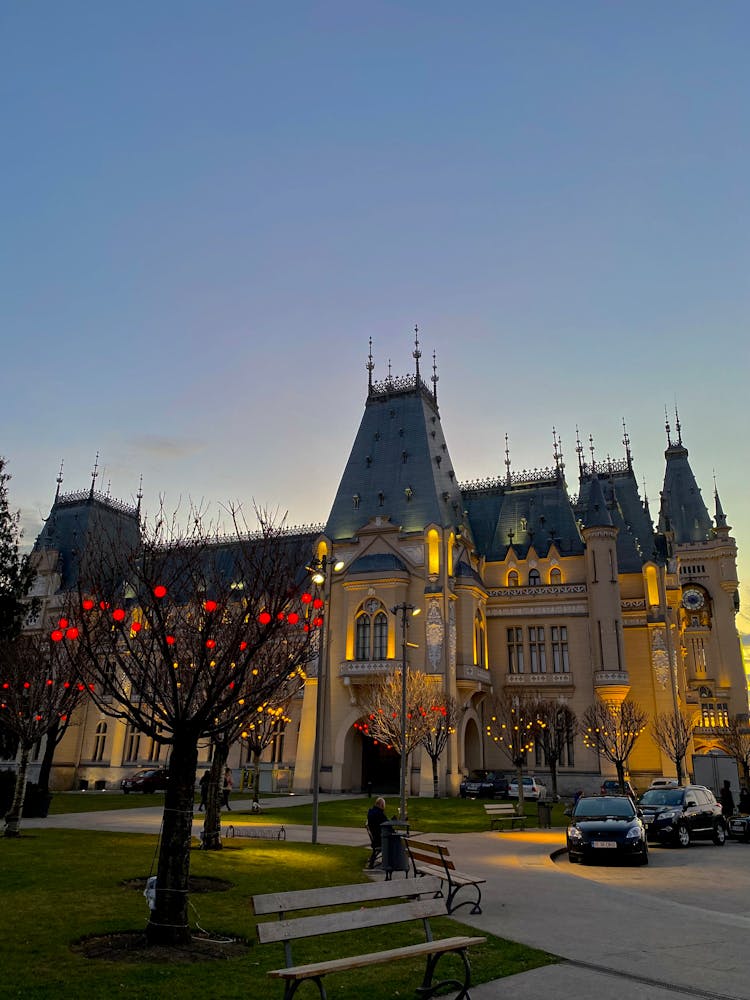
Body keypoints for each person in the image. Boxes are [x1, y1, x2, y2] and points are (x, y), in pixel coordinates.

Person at [366, 796, 387, 869]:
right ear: (381, 805)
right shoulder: (379, 814)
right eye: (383, 806)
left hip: (376, 838)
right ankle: (393, 861)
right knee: (396, 839)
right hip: (380, 840)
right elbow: (387, 825)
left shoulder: (371, 812)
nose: (384, 808)